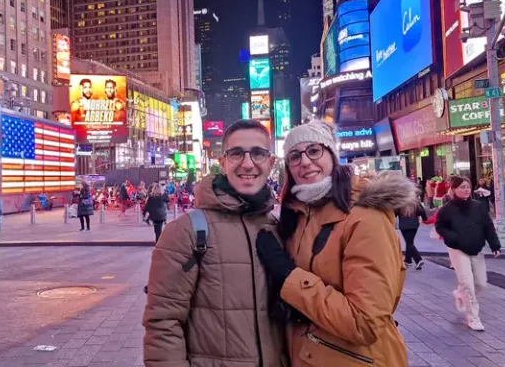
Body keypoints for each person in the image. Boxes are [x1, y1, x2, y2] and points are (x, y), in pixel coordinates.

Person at [255, 121, 411, 366]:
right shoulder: (300, 215)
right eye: (295, 156)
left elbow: (364, 323)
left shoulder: (365, 217)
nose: (305, 162)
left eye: (314, 151)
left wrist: (288, 276)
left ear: (332, 155)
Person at [143, 119, 287, 366]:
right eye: (236, 153)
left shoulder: (278, 228)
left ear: (271, 162)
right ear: (223, 162)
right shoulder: (187, 231)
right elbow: (163, 324)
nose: (248, 163)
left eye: (258, 153)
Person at [435, 176, 502, 331]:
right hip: (457, 248)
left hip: (476, 247)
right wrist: (453, 237)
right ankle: (473, 317)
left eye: (468, 187)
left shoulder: (478, 206)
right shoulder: (446, 209)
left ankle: (460, 294)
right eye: (462, 187)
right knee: (467, 284)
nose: (465, 190)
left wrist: (495, 245)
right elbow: (440, 227)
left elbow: (488, 227)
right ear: (454, 189)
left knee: (480, 283)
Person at [398, 201, 427, 270]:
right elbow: (422, 211)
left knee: (409, 242)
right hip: (414, 225)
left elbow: (394, 212)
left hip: (404, 225)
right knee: (410, 241)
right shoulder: (415, 201)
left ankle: (418, 259)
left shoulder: (400, 201)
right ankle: (408, 261)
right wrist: (425, 219)